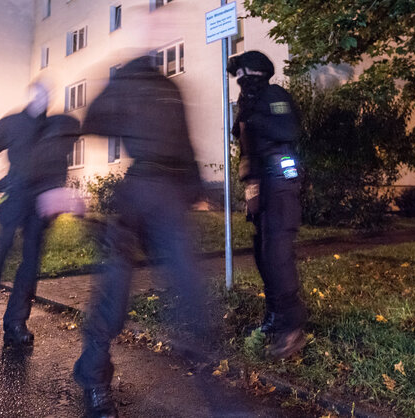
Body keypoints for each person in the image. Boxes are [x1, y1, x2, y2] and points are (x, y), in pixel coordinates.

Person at [72, 55, 208, 418]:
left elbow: (186, 144)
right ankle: (94, 378)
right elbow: (95, 119)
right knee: (114, 291)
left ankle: (217, 394)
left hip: (170, 198)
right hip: (136, 195)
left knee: (190, 291)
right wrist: (121, 88)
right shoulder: (128, 81)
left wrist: (195, 187)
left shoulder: (171, 88)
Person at [227, 51, 307, 360]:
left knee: (277, 254)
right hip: (260, 185)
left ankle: (291, 327)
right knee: (263, 253)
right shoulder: (248, 103)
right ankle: (275, 318)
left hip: (281, 182)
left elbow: (286, 130)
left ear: (257, 73)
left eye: (244, 74)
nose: (240, 81)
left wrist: (253, 117)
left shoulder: (274, 95)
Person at [0, 82, 53, 347]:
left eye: (47, 96)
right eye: (39, 95)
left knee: (30, 262)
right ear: (31, 97)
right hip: (15, 195)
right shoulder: (13, 123)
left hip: (39, 202)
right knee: (2, 249)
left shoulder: (52, 128)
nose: (43, 100)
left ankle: (16, 322)